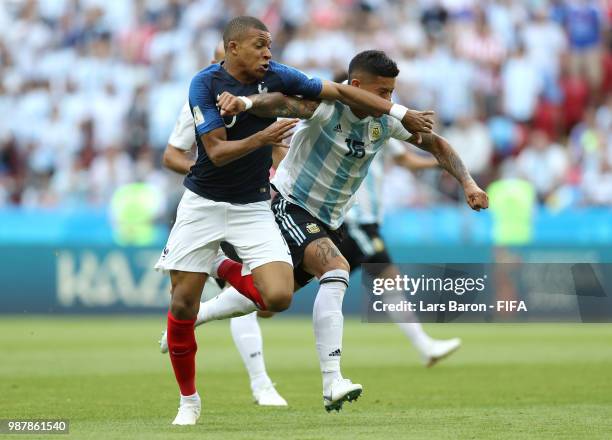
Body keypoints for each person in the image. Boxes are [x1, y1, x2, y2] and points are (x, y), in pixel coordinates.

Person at [155, 17, 435, 425]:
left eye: (270, 44)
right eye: (259, 45)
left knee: (278, 298)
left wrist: (400, 111)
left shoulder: (277, 77)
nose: (269, 52)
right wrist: (263, 140)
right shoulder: (202, 87)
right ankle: (190, 402)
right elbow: (213, 153)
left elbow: (336, 90)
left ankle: (221, 268)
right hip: (203, 202)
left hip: (254, 204)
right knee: (182, 301)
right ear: (231, 49)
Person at [196, 50, 488, 413]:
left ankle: (198, 313)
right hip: (290, 204)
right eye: (381, 93)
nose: (388, 101)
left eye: (391, 93)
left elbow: (438, 145)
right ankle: (332, 380)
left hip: (330, 219)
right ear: (356, 87)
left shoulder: (385, 122)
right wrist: (244, 101)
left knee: (272, 297)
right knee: (337, 268)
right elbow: (280, 102)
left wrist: (469, 184)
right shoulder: (325, 108)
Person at [160, 41, 288, 407]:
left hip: (251, 203)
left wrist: (279, 174)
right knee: (199, 299)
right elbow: (172, 154)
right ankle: (261, 383)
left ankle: (216, 275)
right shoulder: (199, 102)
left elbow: (278, 147)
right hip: (208, 204)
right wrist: (211, 172)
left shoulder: (261, 97)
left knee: (265, 300)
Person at [341, 138, 462, 367]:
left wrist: (441, 162)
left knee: (302, 281)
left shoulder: (382, 127)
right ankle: (425, 346)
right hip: (355, 218)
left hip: (366, 221)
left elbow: (406, 159)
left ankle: (425, 346)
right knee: (387, 278)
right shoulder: (344, 121)